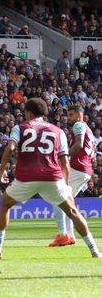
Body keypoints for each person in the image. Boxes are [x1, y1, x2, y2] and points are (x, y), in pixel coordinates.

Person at [0, 98, 99, 259]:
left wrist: (2, 170)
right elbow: (64, 161)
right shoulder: (58, 131)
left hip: (26, 177)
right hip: (52, 177)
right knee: (73, 211)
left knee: (5, 205)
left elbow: (11, 147)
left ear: (28, 112)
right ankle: (94, 250)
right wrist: (66, 184)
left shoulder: (20, 127)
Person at [49, 105, 95, 246]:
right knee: (67, 202)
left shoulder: (78, 125)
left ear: (79, 115)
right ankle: (70, 236)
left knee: (58, 197)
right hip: (85, 169)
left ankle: (63, 235)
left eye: (71, 115)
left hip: (77, 167)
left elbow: (79, 144)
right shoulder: (88, 128)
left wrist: (64, 156)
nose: (68, 118)